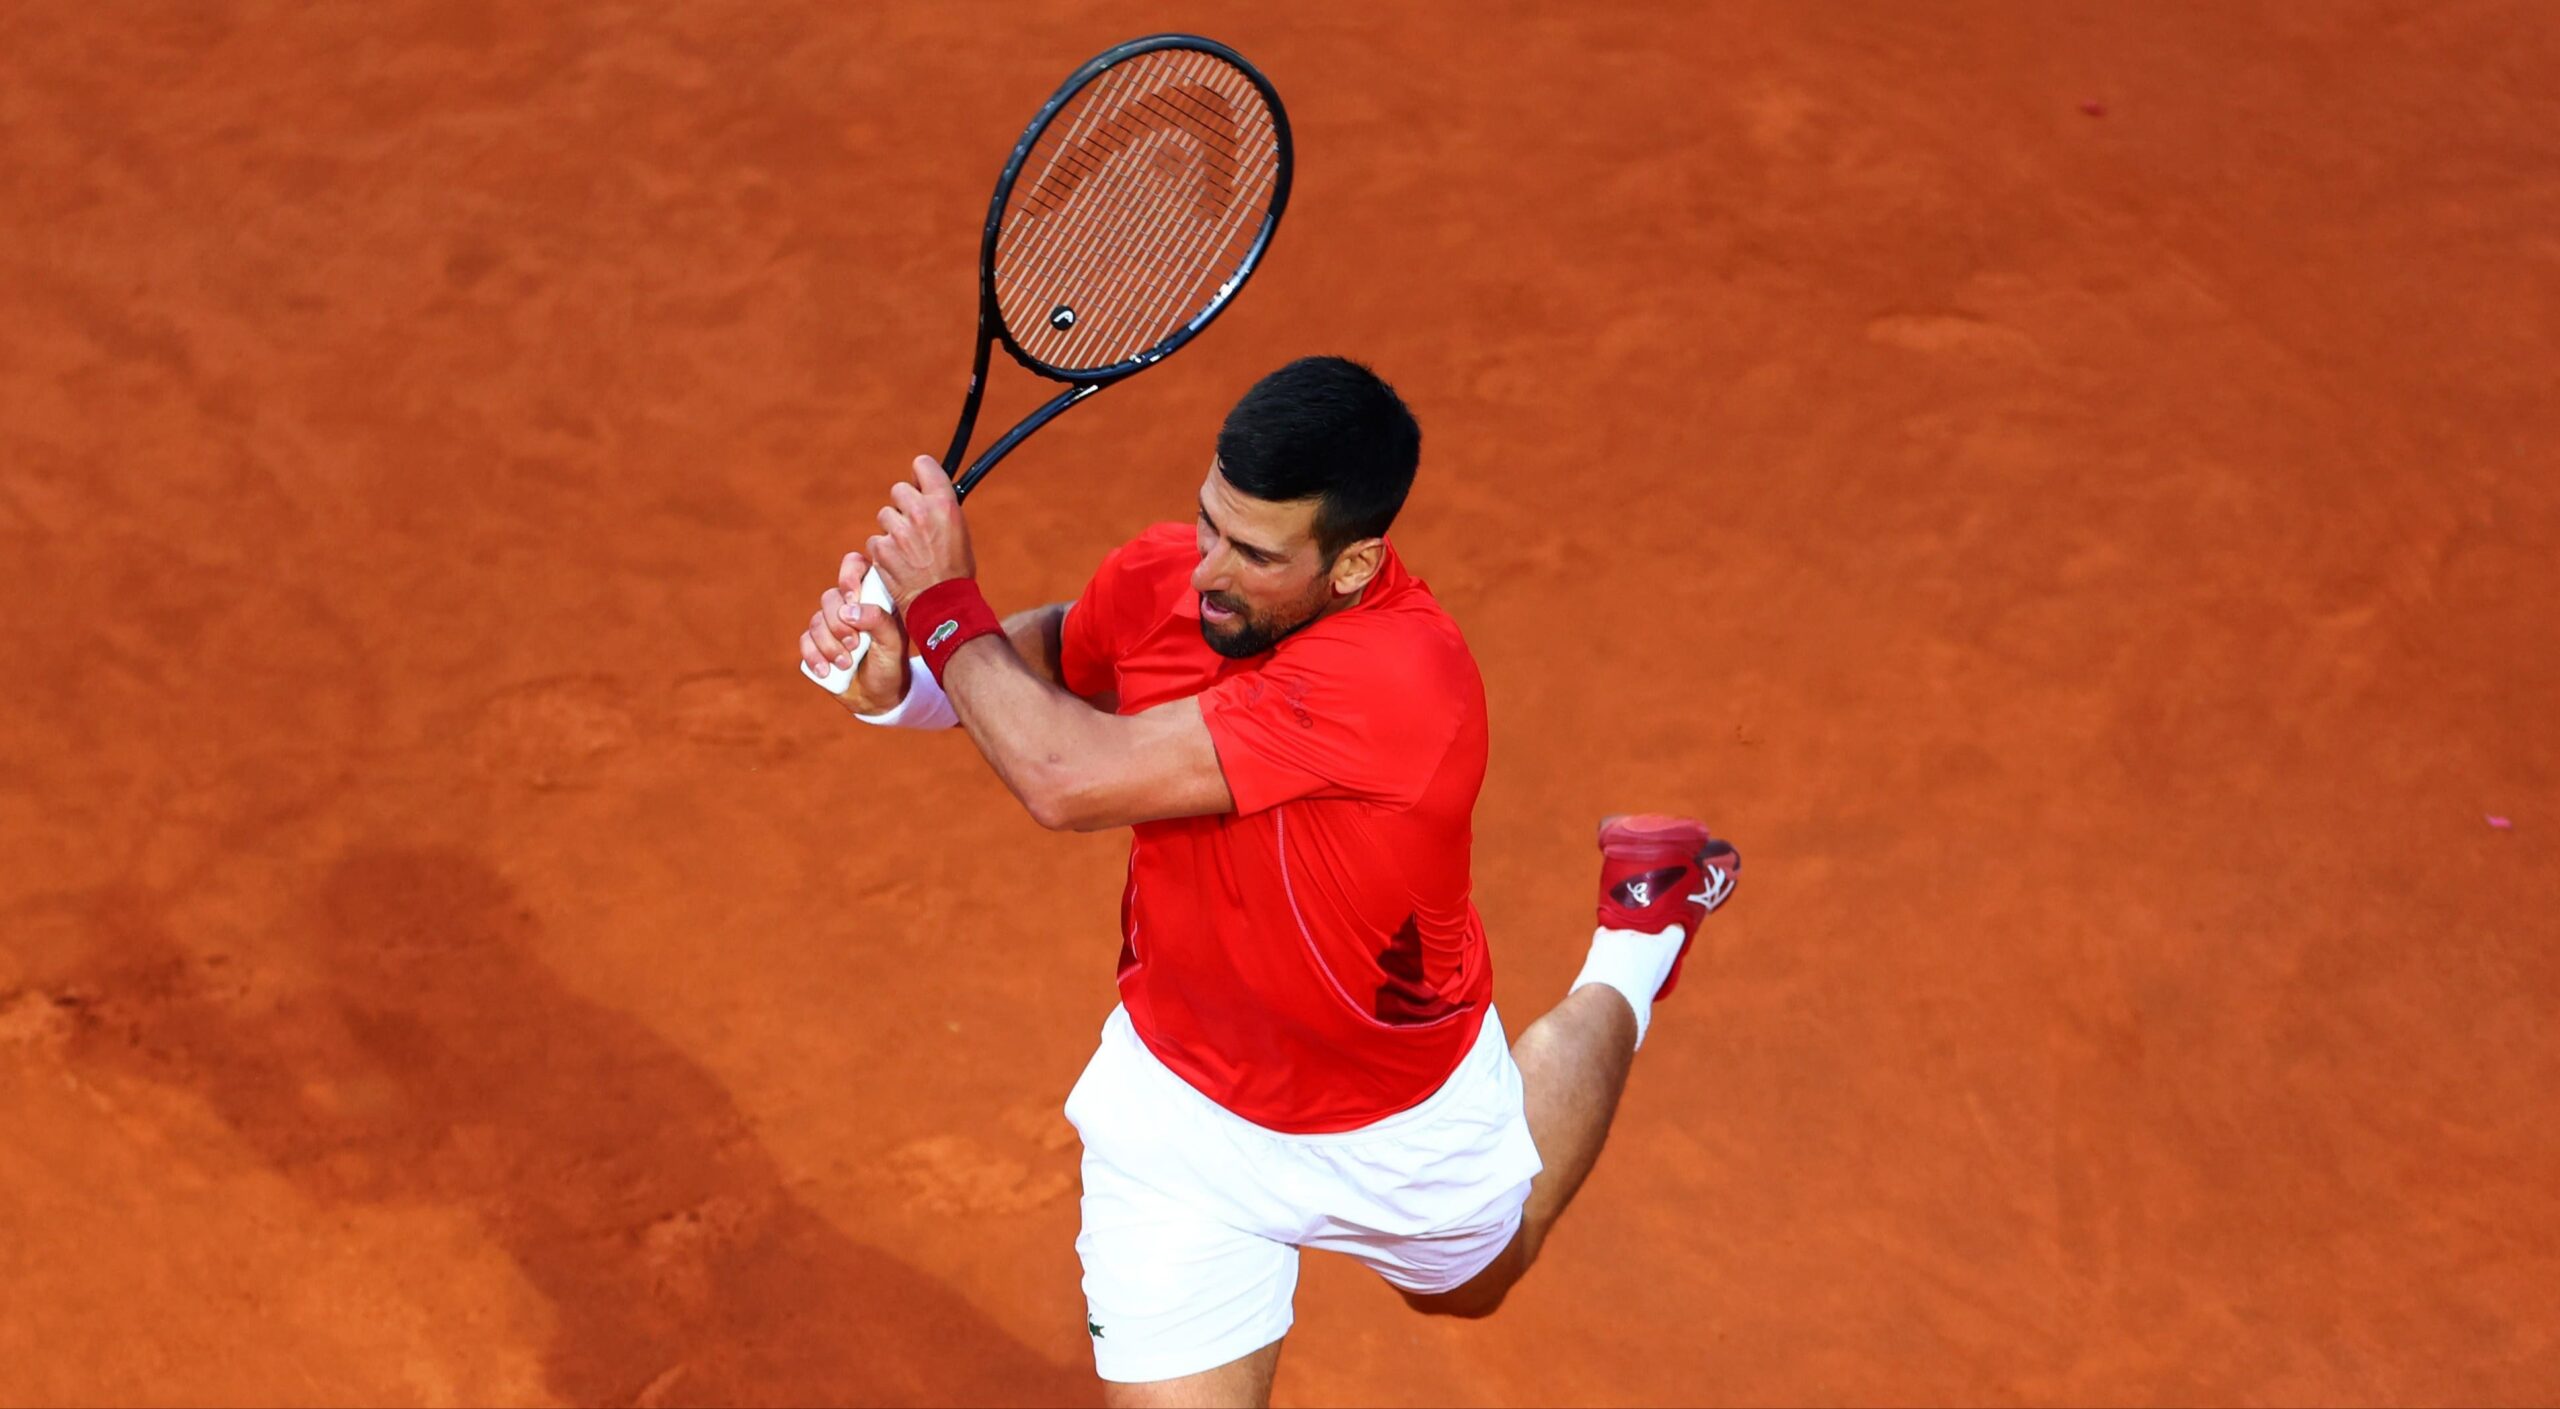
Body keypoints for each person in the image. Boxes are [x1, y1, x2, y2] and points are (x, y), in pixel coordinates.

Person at [796, 356, 1740, 1408]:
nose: (1207, 569)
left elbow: (1064, 776)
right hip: (1180, 1109)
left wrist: (940, 606)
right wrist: (908, 682)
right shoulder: (1175, 579)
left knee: (1480, 1282)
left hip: (1394, 1116)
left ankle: (1641, 928)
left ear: (1352, 563)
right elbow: (1060, 653)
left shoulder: (1399, 678)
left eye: (1252, 552)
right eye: (1208, 521)